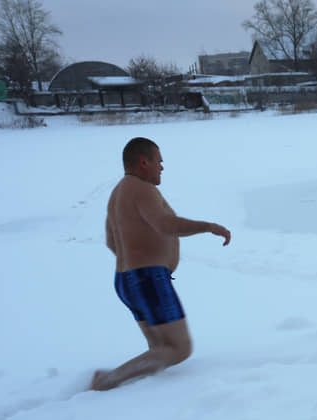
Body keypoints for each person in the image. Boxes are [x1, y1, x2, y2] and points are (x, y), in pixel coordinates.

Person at [90, 137, 231, 391]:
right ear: (144, 162)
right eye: (159, 161)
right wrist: (208, 227)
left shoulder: (118, 193)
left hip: (127, 280)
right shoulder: (142, 189)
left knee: (159, 350)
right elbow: (165, 224)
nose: (162, 167)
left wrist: (137, 259)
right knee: (179, 348)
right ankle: (107, 382)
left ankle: (143, 394)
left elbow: (112, 241)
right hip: (147, 279)